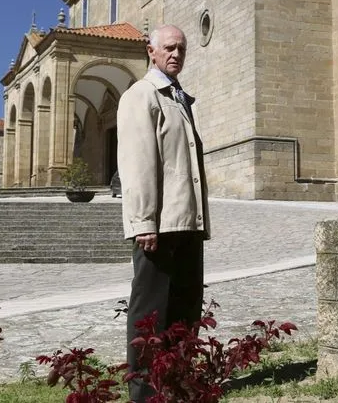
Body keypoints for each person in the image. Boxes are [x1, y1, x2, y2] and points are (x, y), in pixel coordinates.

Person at [116, 24, 210, 402]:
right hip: (159, 229)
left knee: (186, 312)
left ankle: (178, 387)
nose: (176, 54)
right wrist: (143, 223)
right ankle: (143, 394)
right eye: (169, 48)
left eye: (181, 49)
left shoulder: (180, 99)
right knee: (149, 316)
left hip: (187, 225)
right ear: (151, 51)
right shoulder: (142, 96)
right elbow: (138, 165)